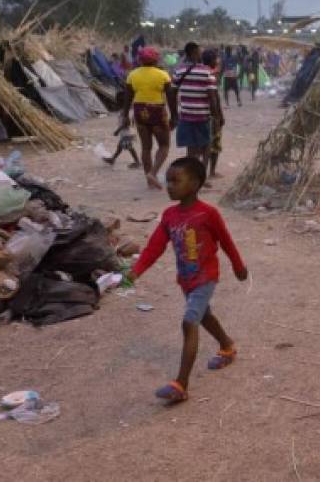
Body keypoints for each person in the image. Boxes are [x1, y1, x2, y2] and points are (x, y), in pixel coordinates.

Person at [127, 157, 248, 404]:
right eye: (168, 180)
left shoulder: (208, 213)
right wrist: (136, 270)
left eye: (175, 181)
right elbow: (154, 247)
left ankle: (181, 384)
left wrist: (238, 265)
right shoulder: (170, 215)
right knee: (204, 316)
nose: (169, 186)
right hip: (186, 279)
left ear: (194, 184)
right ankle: (227, 346)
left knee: (189, 321)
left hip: (205, 278)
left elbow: (226, 241)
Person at [122, 47, 177, 189]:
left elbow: (127, 98)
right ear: (156, 59)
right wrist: (175, 116)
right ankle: (153, 173)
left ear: (140, 59)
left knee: (146, 148)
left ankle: (149, 182)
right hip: (157, 112)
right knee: (164, 146)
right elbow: (171, 98)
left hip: (139, 112)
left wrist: (125, 116)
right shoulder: (163, 75)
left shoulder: (132, 75)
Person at [172, 42, 221, 167]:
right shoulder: (207, 72)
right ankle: (201, 173)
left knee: (191, 149)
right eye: (199, 52)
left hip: (186, 115)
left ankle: (191, 174)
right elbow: (212, 97)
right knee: (205, 146)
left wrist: (174, 114)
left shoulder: (179, 70)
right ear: (194, 53)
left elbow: (172, 93)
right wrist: (216, 116)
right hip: (202, 116)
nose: (201, 54)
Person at [202, 49, 224, 180]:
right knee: (214, 144)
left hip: (200, 114)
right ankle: (211, 172)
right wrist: (218, 116)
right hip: (210, 114)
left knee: (202, 145)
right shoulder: (211, 75)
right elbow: (214, 98)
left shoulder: (199, 72)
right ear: (211, 61)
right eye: (216, 58)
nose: (218, 61)